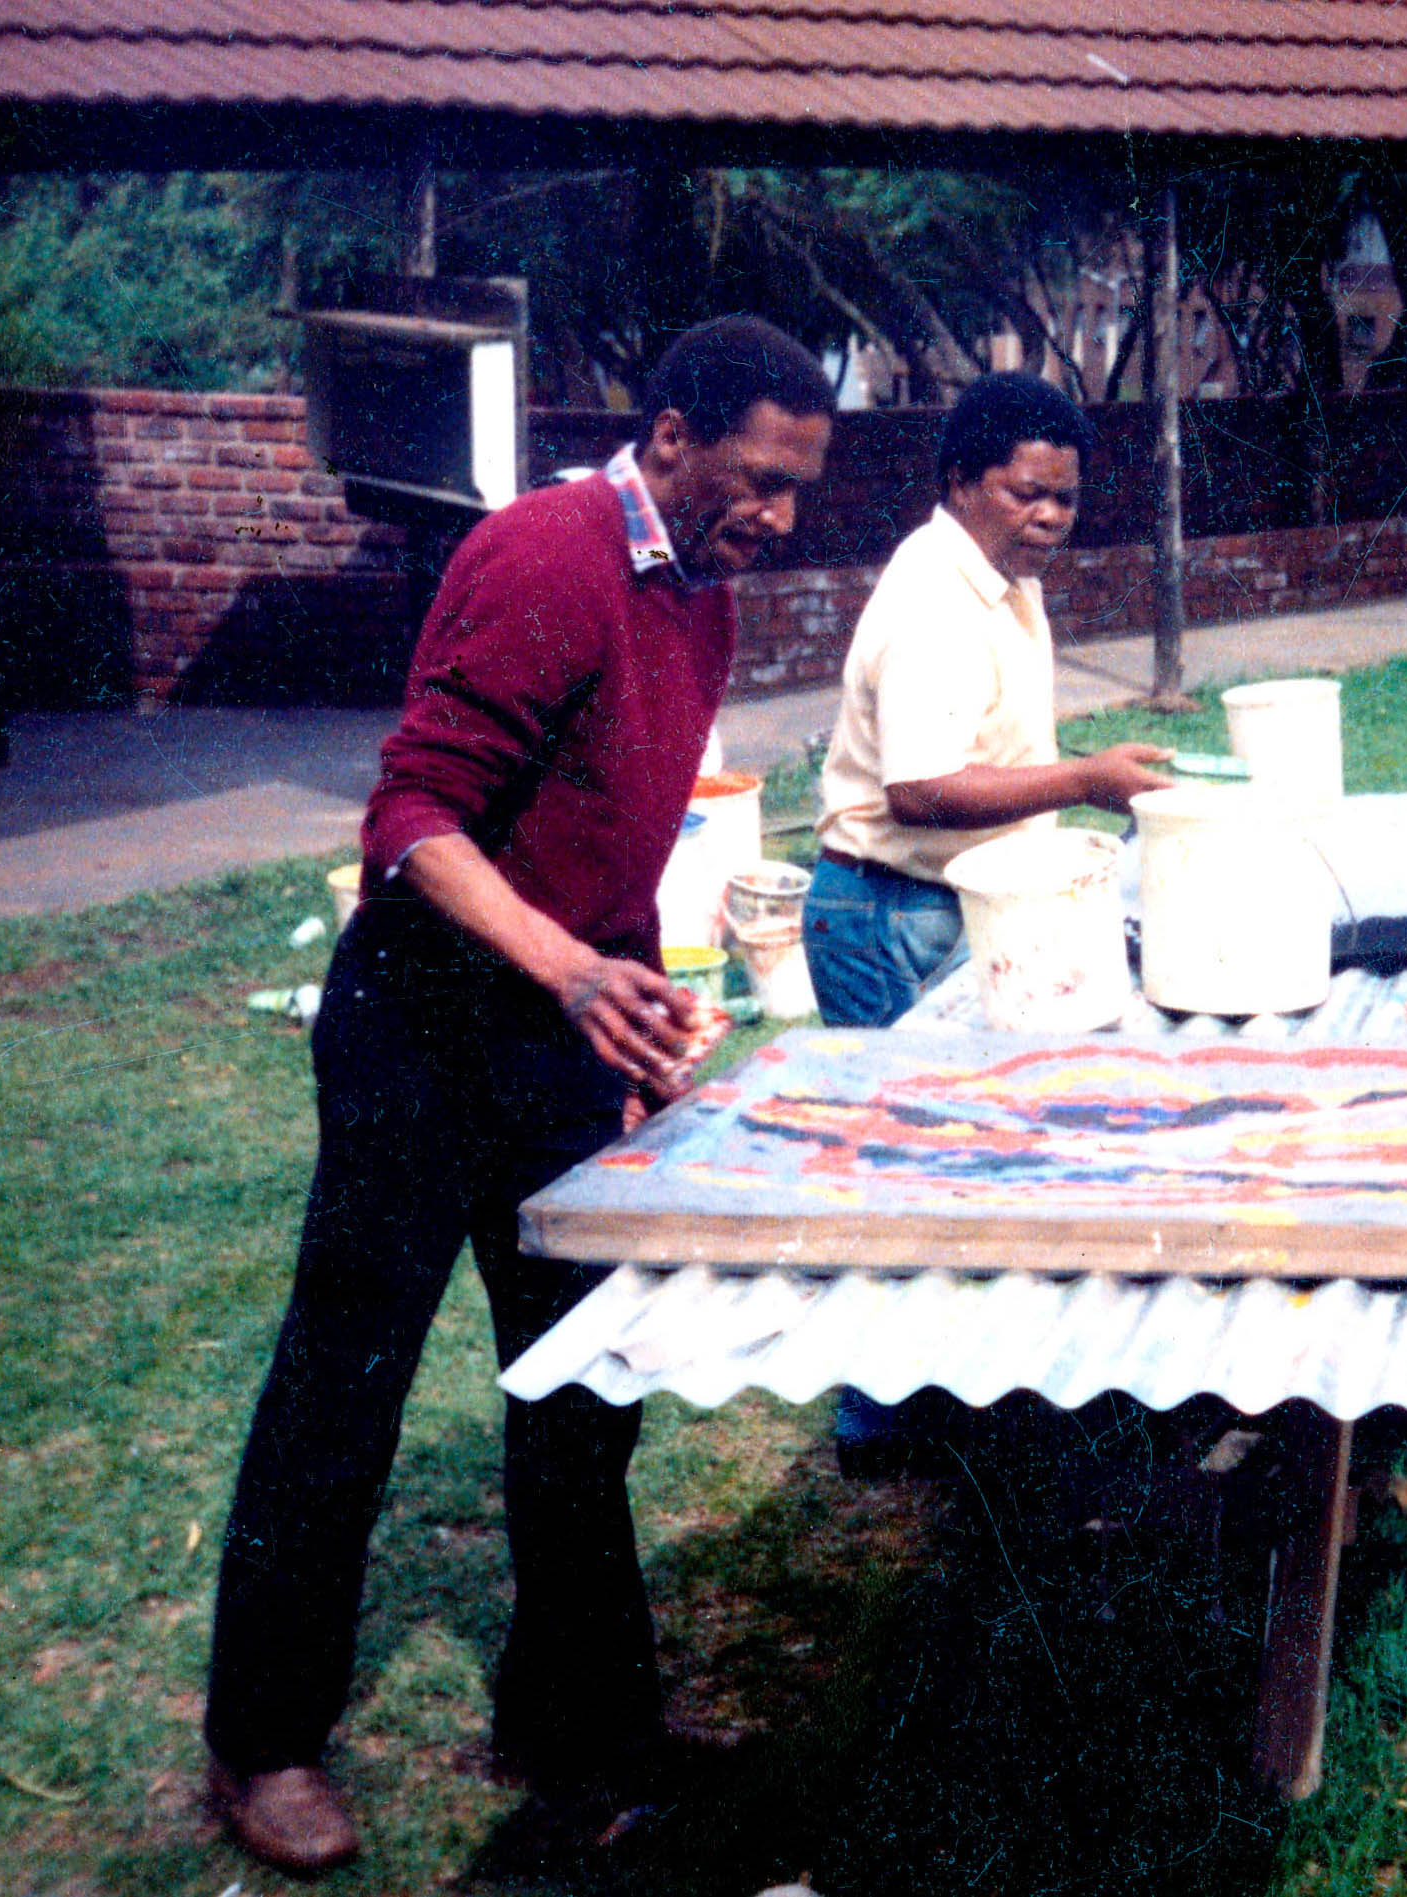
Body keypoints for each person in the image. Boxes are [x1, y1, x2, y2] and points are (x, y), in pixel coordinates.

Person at [202, 315, 834, 1874]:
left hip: (554, 1030)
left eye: (799, 489)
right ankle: (262, 1739)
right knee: (345, 1382)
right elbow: (410, 818)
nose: (778, 517)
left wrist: (622, 1010)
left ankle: (583, 1720)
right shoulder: (547, 552)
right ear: (671, 438)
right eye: (757, 480)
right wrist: (566, 970)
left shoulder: (703, 598)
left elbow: (607, 837)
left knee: (579, 1383)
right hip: (422, 1023)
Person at [805, 372, 1170, 1029]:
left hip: (951, 899)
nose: (1052, 516)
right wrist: (1087, 780)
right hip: (887, 912)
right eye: (1026, 493)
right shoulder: (933, 600)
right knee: (907, 1119)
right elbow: (917, 788)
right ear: (960, 482)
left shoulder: (1006, 573)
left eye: (1065, 498)